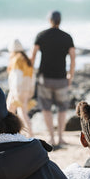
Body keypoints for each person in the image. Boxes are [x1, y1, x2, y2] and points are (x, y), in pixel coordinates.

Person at [30, 10, 75, 148]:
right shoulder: (67, 37)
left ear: (49, 20)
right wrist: (70, 76)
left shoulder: (41, 35)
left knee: (46, 108)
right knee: (62, 109)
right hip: (61, 78)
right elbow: (73, 59)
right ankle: (60, 137)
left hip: (44, 78)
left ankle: (51, 137)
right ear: (60, 20)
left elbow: (32, 57)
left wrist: (30, 75)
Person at [6, 39, 35, 137]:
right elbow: (32, 77)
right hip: (26, 90)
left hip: (17, 90)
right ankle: (26, 133)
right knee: (22, 112)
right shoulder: (26, 59)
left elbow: (16, 78)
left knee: (12, 111)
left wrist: (15, 92)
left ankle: (11, 133)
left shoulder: (16, 60)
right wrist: (31, 91)